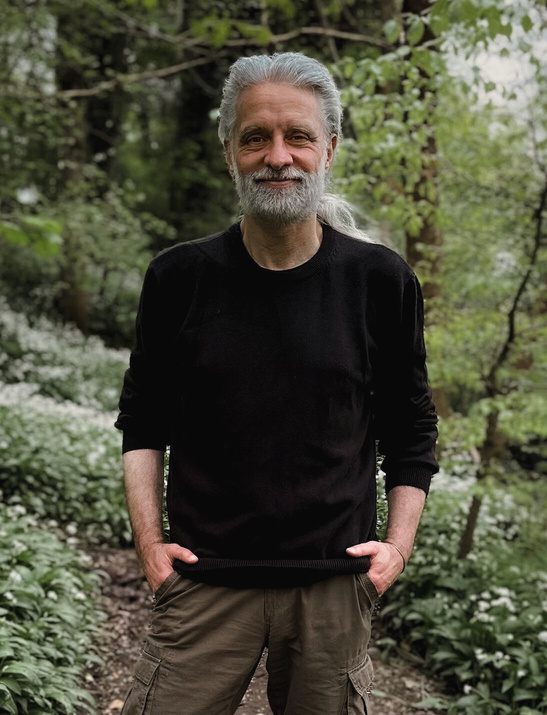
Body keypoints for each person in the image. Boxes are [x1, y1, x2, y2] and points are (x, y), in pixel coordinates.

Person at [115, 51, 438, 715]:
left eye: (298, 136)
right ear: (229, 150)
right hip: (203, 581)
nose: (277, 155)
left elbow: (412, 429)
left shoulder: (380, 282)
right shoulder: (178, 278)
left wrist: (396, 550)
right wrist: (150, 545)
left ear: (330, 149)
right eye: (255, 137)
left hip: (331, 587)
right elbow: (143, 421)